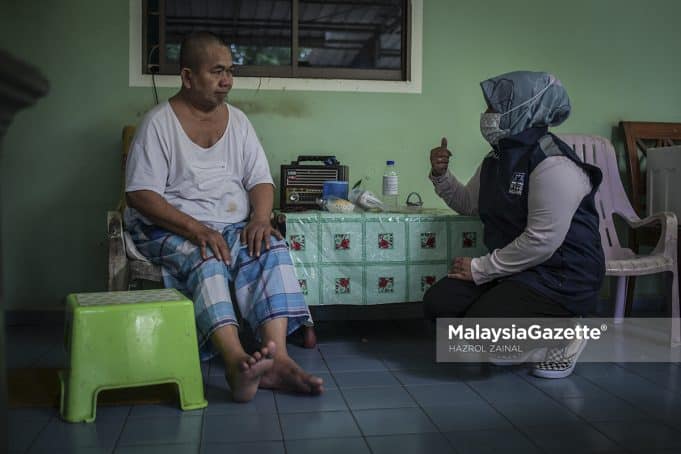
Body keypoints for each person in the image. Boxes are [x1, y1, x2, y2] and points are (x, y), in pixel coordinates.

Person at [124, 31, 323, 401]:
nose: (227, 81)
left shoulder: (240, 122)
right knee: (208, 258)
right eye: (217, 72)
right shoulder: (158, 124)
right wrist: (196, 229)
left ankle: (276, 358)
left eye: (230, 71)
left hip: (230, 225)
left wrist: (260, 220)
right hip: (169, 227)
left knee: (271, 248)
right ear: (187, 77)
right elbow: (140, 194)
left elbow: (261, 181)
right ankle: (236, 364)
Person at [424, 71, 604, 378]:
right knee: (438, 304)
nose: (486, 116)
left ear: (522, 108)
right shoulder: (498, 158)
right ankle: (515, 339)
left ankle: (567, 332)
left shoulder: (553, 163)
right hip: (516, 268)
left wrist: (480, 269)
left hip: (561, 276)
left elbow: (541, 241)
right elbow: (470, 203)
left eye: (494, 108)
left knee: (480, 333)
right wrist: (441, 175)